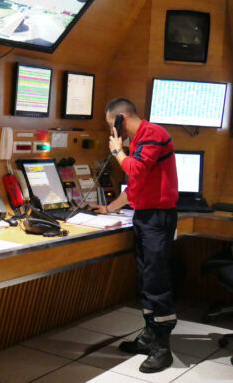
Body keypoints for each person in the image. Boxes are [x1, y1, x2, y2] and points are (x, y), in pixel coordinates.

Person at [92, 98, 178, 373]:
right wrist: (108, 208)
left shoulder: (152, 134)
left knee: (156, 280)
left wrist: (118, 151)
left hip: (157, 218)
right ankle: (150, 336)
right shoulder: (138, 141)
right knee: (145, 279)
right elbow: (136, 185)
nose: (112, 131)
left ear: (122, 119)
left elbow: (135, 169)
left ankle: (163, 349)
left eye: (112, 125)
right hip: (143, 216)